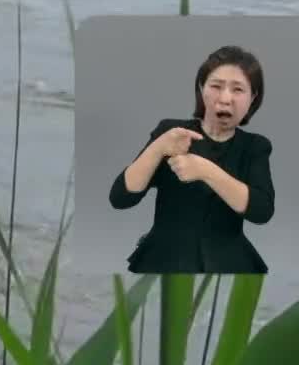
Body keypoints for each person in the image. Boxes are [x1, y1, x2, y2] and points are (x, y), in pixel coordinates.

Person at [108, 44, 274, 274]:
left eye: (238, 90)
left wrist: (206, 171)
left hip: (227, 260)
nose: (225, 99)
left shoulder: (255, 146)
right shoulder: (171, 132)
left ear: (253, 98)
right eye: (216, 86)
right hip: (163, 256)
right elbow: (120, 198)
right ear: (201, 88)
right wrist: (157, 149)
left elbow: (262, 211)